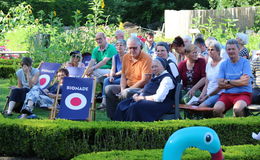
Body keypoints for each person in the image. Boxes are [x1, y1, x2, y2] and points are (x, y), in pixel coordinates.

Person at [114, 57, 176, 122]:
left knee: (135, 106)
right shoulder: (156, 76)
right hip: (148, 100)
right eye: (152, 67)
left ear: (163, 67)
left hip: (162, 104)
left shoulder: (167, 79)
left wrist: (142, 97)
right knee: (122, 104)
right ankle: (120, 127)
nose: (154, 69)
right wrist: (138, 94)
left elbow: (159, 98)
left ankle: (133, 128)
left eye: (156, 66)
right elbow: (148, 89)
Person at [104, 36, 152, 119]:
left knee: (127, 92)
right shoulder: (126, 57)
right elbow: (123, 75)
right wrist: (122, 89)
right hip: (128, 86)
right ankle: (113, 117)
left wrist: (126, 90)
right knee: (108, 89)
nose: (132, 50)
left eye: (134, 48)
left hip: (142, 88)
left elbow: (144, 80)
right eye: (130, 48)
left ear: (140, 46)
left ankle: (124, 117)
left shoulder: (146, 58)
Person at [213, 39, 253, 117]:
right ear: (226, 51)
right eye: (229, 49)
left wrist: (227, 81)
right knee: (217, 109)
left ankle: (240, 128)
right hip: (227, 94)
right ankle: (223, 128)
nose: (231, 51)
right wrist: (238, 81)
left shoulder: (245, 62)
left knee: (238, 109)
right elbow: (220, 84)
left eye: (233, 49)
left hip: (243, 93)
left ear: (238, 49)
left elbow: (245, 82)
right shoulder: (223, 64)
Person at [98, 39, 127, 109]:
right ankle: (104, 102)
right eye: (117, 45)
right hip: (116, 76)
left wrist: (115, 75)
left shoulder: (127, 56)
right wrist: (111, 76)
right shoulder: (115, 56)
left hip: (124, 77)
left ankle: (109, 104)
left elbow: (125, 70)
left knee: (113, 81)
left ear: (125, 47)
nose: (119, 47)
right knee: (106, 80)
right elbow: (113, 68)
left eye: (121, 45)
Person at [198, 41, 224, 108]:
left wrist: (206, 97)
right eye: (208, 50)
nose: (210, 52)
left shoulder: (223, 63)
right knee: (193, 104)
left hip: (219, 94)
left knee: (201, 107)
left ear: (218, 51)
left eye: (212, 50)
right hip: (208, 94)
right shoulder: (208, 64)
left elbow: (221, 86)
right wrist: (202, 95)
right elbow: (207, 84)